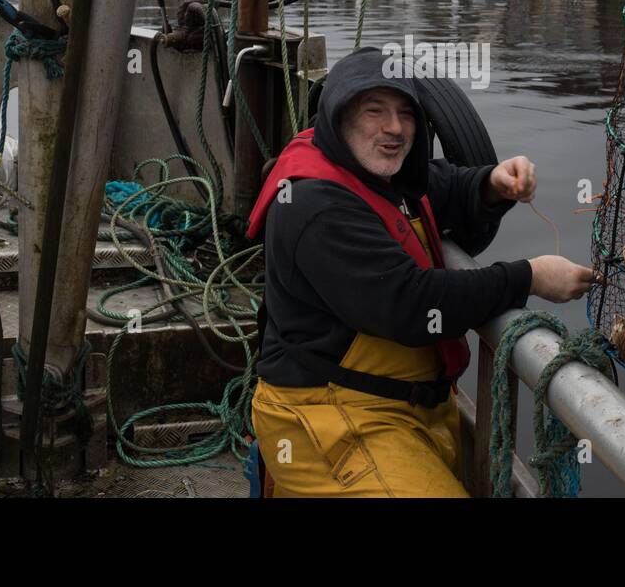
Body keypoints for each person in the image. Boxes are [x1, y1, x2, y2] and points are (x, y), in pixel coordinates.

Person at [246, 47, 593, 497]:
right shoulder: (315, 205)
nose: (394, 127)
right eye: (375, 111)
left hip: (403, 407)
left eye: (406, 113)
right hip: (330, 416)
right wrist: (530, 277)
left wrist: (493, 183)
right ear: (336, 116)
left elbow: (440, 186)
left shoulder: (379, 171)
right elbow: (411, 303)